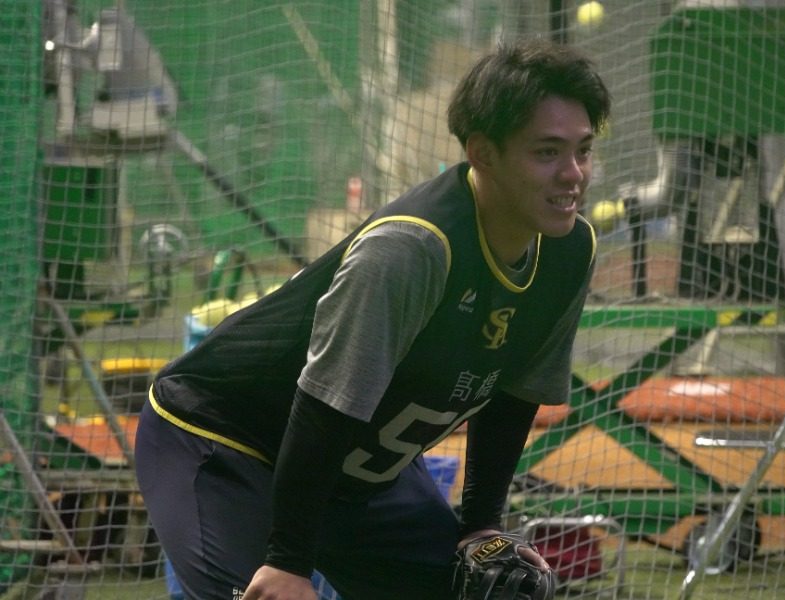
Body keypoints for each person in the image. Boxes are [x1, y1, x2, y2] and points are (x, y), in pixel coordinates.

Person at [134, 37, 610, 600]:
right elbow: (325, 406)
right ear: (483, 153)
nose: (573, 174)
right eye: (547, 152)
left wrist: (482, 527)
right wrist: (288, 562)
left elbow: (513, 394)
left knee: (492, 588)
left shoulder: (569, 249)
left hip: (354, 470)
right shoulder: (412, 248)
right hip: (225, 443)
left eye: (583, 150)